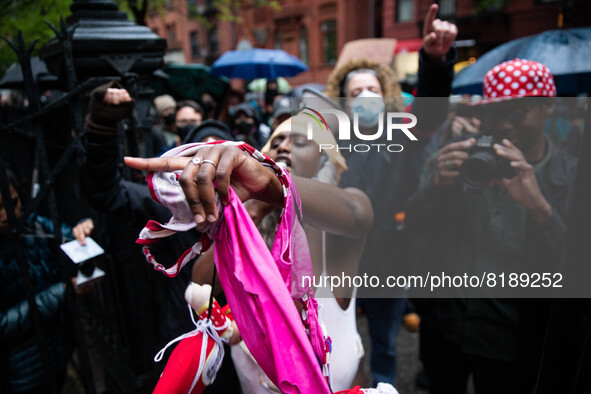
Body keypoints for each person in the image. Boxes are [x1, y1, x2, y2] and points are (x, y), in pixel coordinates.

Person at [125, 113, 374, 392]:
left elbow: (356, 214)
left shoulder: (337, 228)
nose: (283, 147)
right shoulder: (248, 228)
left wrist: (276, 186)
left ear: (324, 160)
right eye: (277, 140)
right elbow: (202, 283)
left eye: (300, 142)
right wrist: (255, 208)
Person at [405, 59, 577, 394]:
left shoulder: (570, 178)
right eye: (495, 114)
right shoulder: (464, 160)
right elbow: (412, 225)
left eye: (516, 113)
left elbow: (574, 270)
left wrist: (539, 208)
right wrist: (436, 185)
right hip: (447, 327)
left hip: (514, 340)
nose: (505, 125)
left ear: (547, 107)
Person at [322, 3, 458, 386]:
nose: (365, 96)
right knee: (335, 337)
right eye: (356, 92)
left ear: (386, 95)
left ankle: (383, 385)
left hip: (389, 258)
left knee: (384, 342)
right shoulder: (330, 140)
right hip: (339, 260)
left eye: (372, 89)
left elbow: (432, 112)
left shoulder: (404, 132)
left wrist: (434, 60)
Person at [77, 81, 241, 392]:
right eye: (200, 153)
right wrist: (101, 127)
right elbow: (105, 191)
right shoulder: (162, 207)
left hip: (242, 353)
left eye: (221, 153)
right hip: (181, 342)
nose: (210, 166)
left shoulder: (254, 210)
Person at [0, 168, 94, 393]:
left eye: (12, 202)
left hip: (59, 351)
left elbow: (69, 236)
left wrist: (84, 228)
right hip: (18, 372)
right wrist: (62, 291)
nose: (7, 215)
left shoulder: (32, 224)